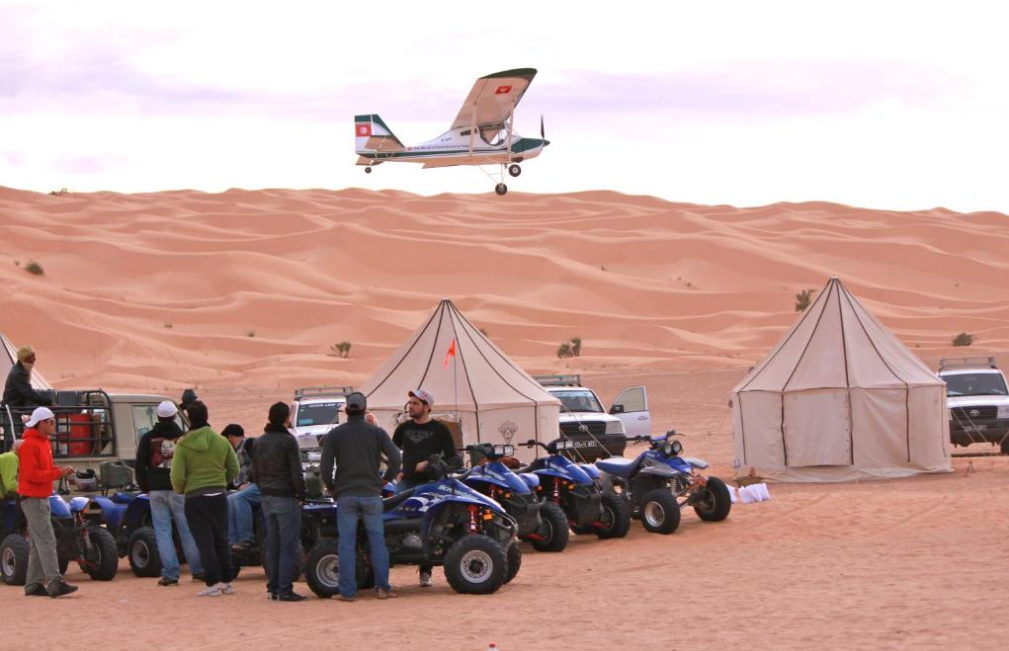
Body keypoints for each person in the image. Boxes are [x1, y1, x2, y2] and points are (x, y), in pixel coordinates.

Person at [320, 392, 401, 602]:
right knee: (377, 542)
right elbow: (395, 458)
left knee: (346, 544)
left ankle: (347, 592)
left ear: (347, 410)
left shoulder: (335, 435)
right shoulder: (377, 433)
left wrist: (332, 488)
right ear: (365, 410)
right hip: (371, 494)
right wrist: (385, 480)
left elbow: (325, 467)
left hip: (346, 495)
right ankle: (382, 588)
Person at [171, 401, 239, 597]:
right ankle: (227, 581)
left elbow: (177, 476)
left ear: (189, 418)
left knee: (204, 541)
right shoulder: (221, 441)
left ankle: (213, 583)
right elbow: (234, 469)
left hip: (195, 498)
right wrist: (221, 482)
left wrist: (182, 489)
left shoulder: (183, 444)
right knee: (221, 539)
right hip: (218, 496)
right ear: (207, 416)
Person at [392, 388, 458, 587]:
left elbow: (452, 457)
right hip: (406, 482)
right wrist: (396, 470)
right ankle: (394, 554)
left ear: (427, 407)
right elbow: (390, 451)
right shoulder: (403, 428)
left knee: (428, 526)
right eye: (410, 403)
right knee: (394, 517)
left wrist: (430, 463)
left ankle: (425, 570)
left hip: (431, 484)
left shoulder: (440, 429)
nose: (411, 406)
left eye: (415, 403)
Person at [134, 400, 204, 586]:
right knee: (187, 530)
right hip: (179, 489)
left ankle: (171, 574)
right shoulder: (183, 438)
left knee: (163, 532)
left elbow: (140, 466)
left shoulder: (148, 438)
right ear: (175, 416)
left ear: (158, 416)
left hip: (156, 490)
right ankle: (197, 570)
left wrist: (146, 488)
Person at [17, 407, 77, 597]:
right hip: (34, 498)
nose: (53, 424)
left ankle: (33, 585)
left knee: (38, 543)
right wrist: (58, 472)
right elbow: (32, 475)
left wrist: (60, 471)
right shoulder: (30, 445)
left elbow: (45, 470)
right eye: (51, 422)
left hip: (39, 497)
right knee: (47, 540)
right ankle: (55, 583)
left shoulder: (42, 443)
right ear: (41, 423)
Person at [253, 402, 307, 602]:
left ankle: (273, 588)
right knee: (288, 544)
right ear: (286, 418)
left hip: (266, 497)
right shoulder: (288, 441)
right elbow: (296, 472)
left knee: (273, 543)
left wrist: (263, 490)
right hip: (285, 497)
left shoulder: (259, 441)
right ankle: (284, 589)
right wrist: (302, 495)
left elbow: (255, 473)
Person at [224, 424, 260, 551]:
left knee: (239, 498)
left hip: (257, 484)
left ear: (230, 437)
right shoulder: (236, 451)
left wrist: (250, 481)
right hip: (244, 486)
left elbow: (259, 464)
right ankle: (233, 541)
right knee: (229, 499)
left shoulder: (249, 443)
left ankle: (246, 538)